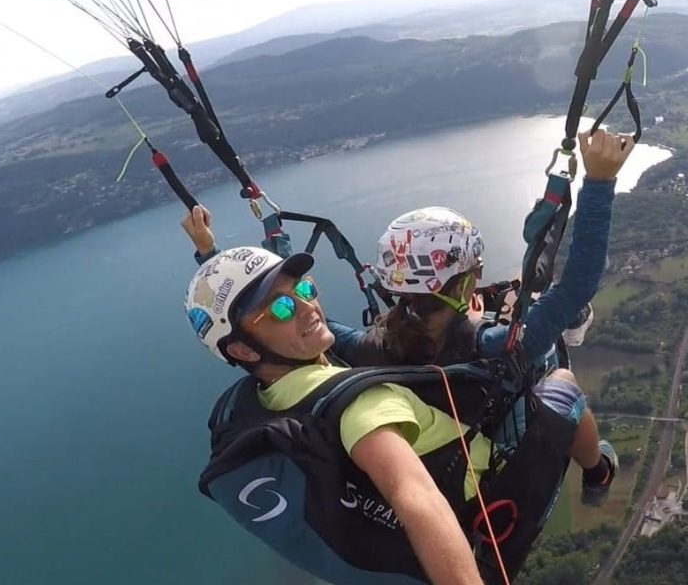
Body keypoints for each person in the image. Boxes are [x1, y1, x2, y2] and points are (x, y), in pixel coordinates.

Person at [184, 130, 634, 585]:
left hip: (437, 443)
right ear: (463, 284)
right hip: (484, 486)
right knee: (561, 382)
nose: (304, 306)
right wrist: (599, 182)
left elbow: (254, 326)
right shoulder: (479, 351)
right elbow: (577, 285)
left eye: (303, 291)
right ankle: (598, 470)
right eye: (285, 305)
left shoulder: (356, 349)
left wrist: (213, 258)